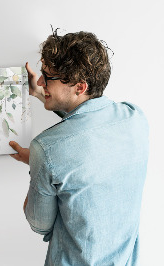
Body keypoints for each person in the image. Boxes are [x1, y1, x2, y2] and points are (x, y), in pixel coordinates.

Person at [9, 30, 149, 265]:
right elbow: (88, 123)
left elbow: (39, 224)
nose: (41, 81)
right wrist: (42, 94)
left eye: (48, 77)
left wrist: (37, 163)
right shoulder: (135, 118)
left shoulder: (46, 149)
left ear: (80, 87)